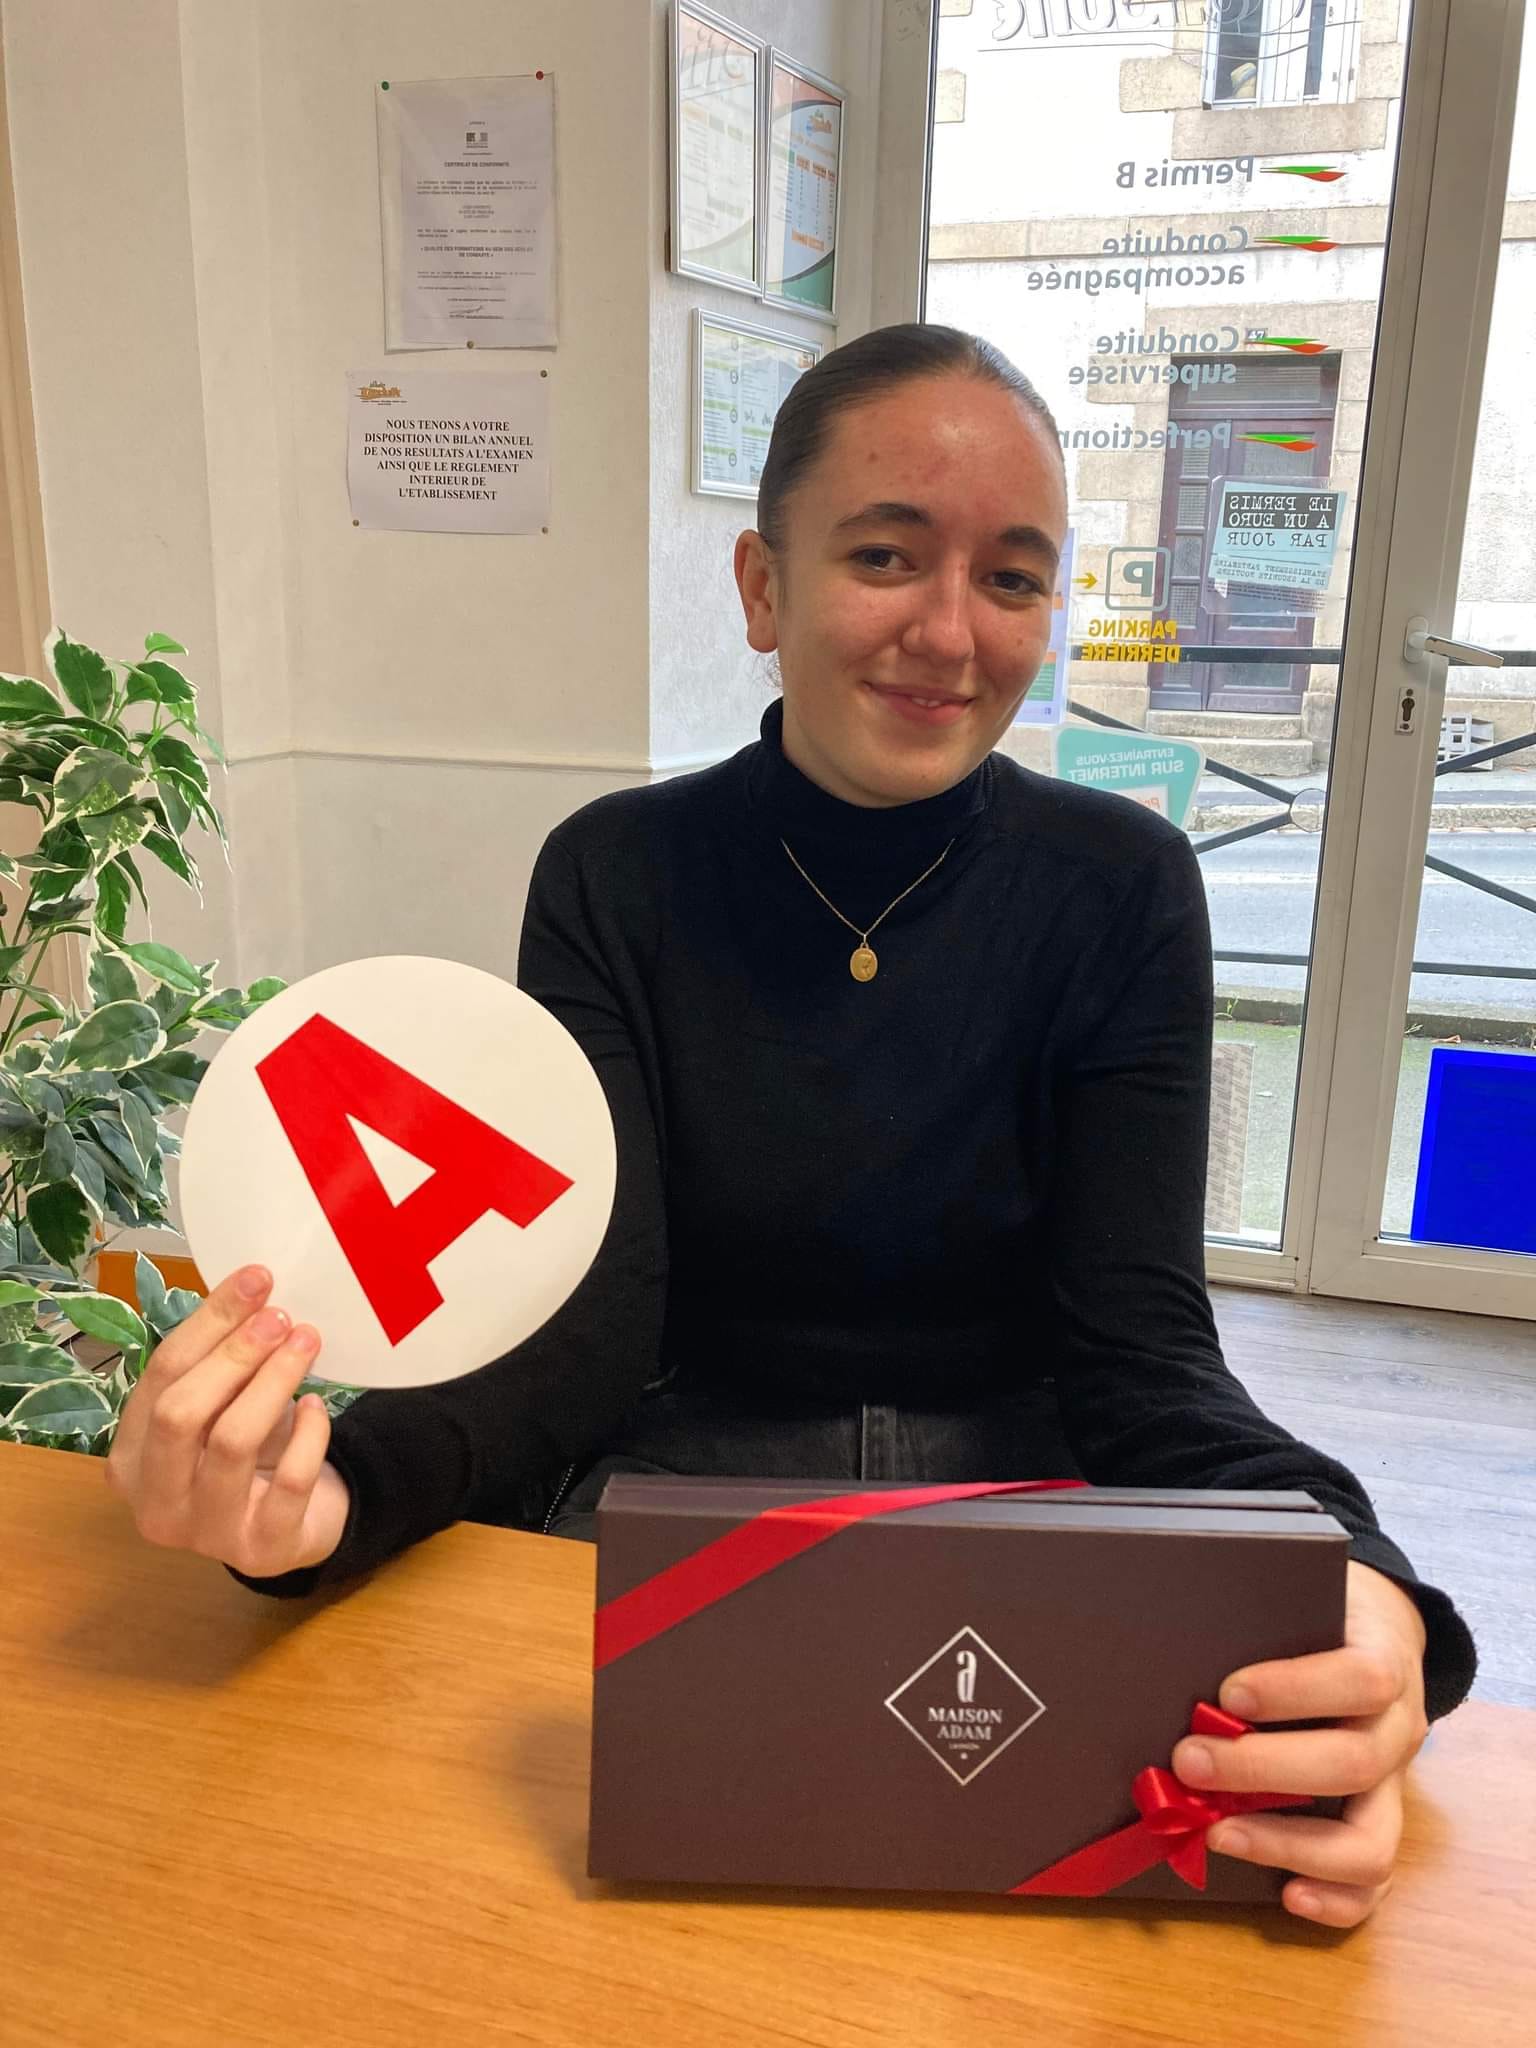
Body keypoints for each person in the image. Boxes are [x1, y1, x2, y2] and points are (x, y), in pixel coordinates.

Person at [106, 323, 1475, 1927]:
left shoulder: (1120, 887)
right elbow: (587, 1333)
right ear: (762, 586)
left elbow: (1145, 1351)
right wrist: (329, 1495)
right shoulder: (617, 873)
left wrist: (1365, 1582)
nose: (949, 633)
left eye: (1014, 579)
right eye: (885, 556)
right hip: (679, 1488)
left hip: (1030, 1498)